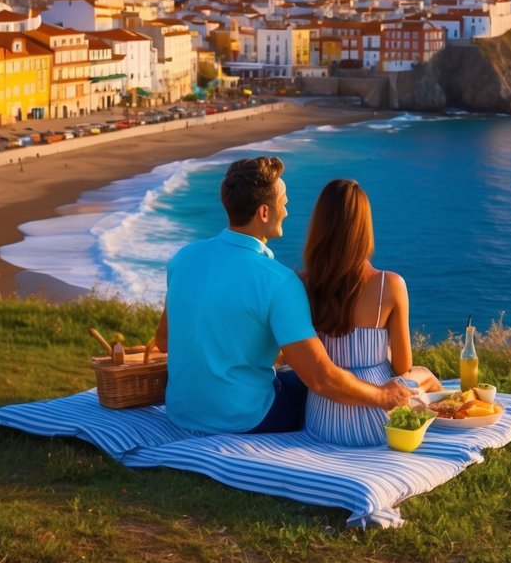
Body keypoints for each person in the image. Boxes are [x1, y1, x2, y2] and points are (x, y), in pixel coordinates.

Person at [154, 156, 412, 435]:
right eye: (284, 203)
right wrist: (384, 396)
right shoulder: (279, 281)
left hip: (181, 411)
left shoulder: (183, 258)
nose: (287, 212)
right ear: (265, 213)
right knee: (304, 384)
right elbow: (321, 378)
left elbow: (164, 340)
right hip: (245, 418)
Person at [301, 179, 442, 447]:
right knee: (423, 374)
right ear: (364, 228)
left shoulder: (301, 284)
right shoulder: (390, 285)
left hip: (322, 419)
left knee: (421, 377)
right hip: (380, 418)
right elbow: (403, 367)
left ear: (319, 226)